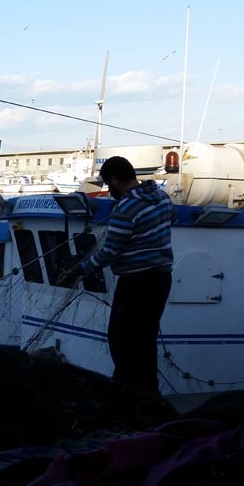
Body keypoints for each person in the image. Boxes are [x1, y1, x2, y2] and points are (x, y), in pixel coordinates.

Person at [58, 155, 175, 393]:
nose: (109, 190)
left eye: (108, 184)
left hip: (136, 283)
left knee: (121, 339)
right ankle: (149, 392)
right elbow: (171, 219)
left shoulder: (126, 207)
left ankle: (127, 392)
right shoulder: (162, 197)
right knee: (146, 337)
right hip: (162, 279)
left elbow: (109, 252)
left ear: (114, 179)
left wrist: (79, 270)